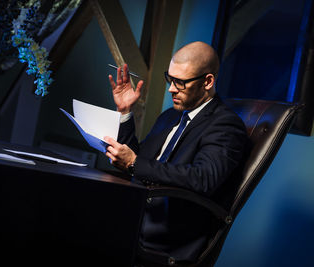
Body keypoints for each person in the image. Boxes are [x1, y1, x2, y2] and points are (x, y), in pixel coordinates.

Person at [103, 41, 248, 263]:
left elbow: (203, 178)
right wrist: (125, 112)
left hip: (166, 233)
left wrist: (134, 164)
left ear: (208, 81)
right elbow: (141, 159)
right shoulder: (170, 116)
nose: (171, 89)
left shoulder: (226, 125)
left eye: (180, 82)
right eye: (170, 79)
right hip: (135, 214)